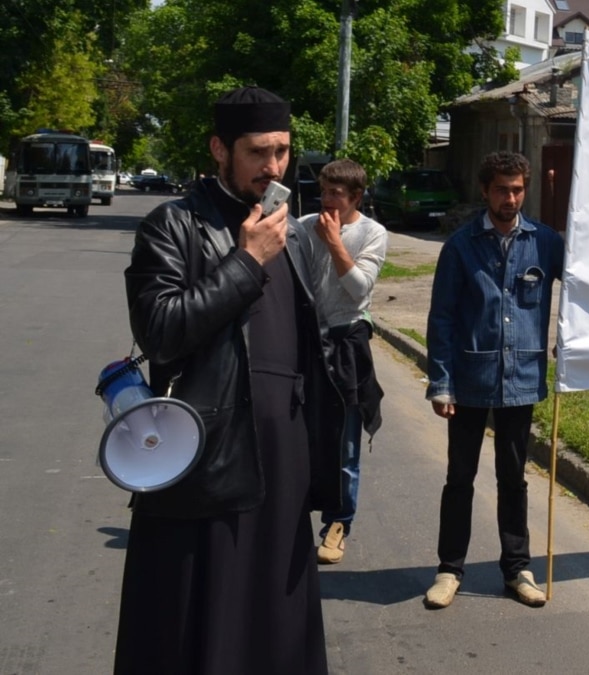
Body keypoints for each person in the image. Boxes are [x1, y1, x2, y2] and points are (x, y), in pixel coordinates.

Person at [117, 86, 344, 674]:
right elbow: (161, 331)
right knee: (199, 614)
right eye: (257, 153)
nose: (273, 168)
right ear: (220, 149)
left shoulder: (288, 229)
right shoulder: (173, 225)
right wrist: (244, 261)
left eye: (283, 152)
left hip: (283, 454)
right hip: (207, 456)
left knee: (276, 616)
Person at [422, 151, 564, 609]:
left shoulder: (544, 241)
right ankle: (449, 569)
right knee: (459, 476)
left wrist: (576, 343)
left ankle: (517, 568)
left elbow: (582, 291)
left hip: (521, 379)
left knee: (514, 478)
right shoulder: (461, 246)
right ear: (485, 191)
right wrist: (440, 382)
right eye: (502, 189)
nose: (511, 198)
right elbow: (441, 319)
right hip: (468, 380)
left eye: (518, 189)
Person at [299, 158, 387, 564]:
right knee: (299, 433)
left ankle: (338, 524)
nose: (327, 199)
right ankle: (292, 516)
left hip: (347, 339)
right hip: (305, 339)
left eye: (336, 193)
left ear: (356, 197)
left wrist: (334, 241)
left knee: (344, 444)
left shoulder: (372, 233)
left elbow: (358, 289)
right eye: (324, 190)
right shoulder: (302, 226)